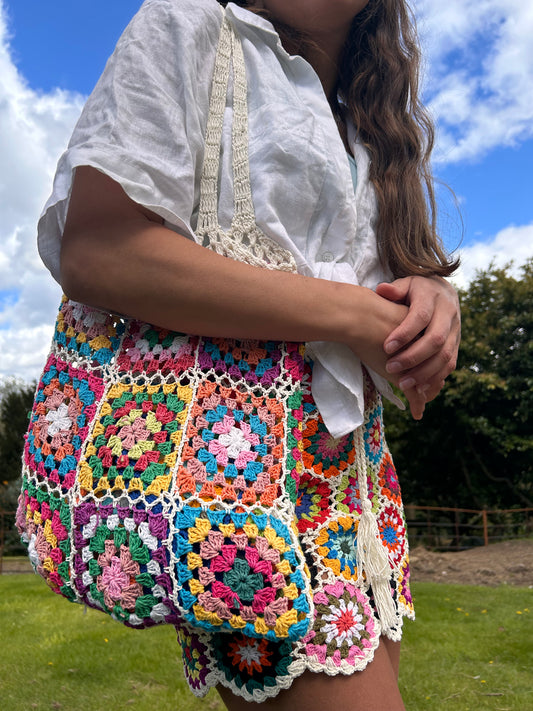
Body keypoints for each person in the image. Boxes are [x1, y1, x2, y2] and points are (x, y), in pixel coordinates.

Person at [37, 1, 460, 709]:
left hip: (352, 482)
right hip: (235, 475)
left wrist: (429, 304)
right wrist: (351, 313)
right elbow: (99, 249)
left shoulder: (370, 129)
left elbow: (387, 353)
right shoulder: (189, 23)